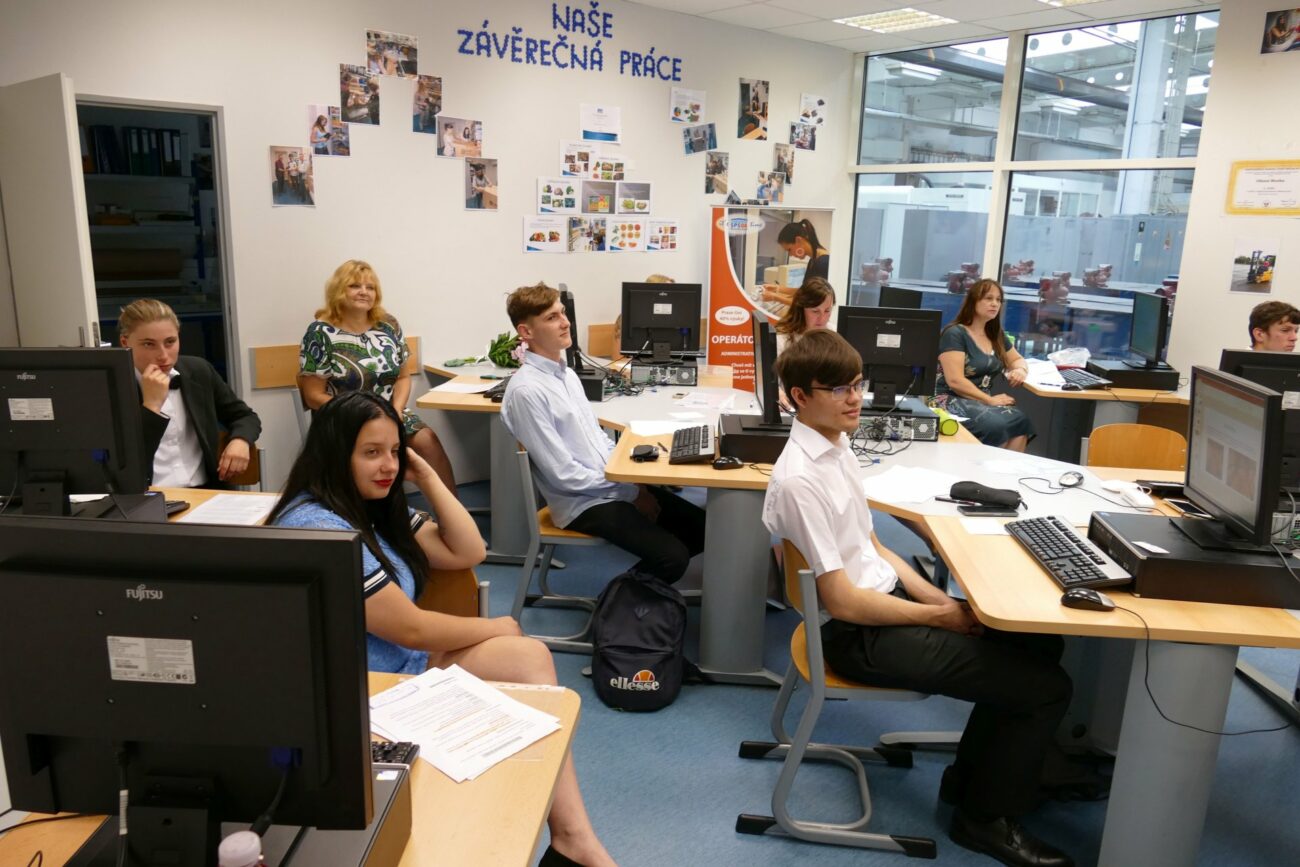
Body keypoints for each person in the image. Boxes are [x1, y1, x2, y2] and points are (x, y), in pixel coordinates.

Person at [763, 330, 1074, 867]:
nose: (855, 398)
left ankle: (971, 781)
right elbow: (843, 602)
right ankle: (983, 820)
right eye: (838, 389)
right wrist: (940, 617)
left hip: (882, 601)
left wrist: (947, 604)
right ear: (799, 397)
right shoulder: (800, 480)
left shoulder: (835, 447)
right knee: (1046, 689)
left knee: (1038, 642)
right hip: (858, 635)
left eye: (856, 384)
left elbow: (875, 546)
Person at [268, 392, 615, 867]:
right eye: (371, 452)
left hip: (402, 667)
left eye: (395, 451)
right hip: (361, 689)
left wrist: (427, 476)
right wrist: (493, 626)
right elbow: (410, 629)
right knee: (511, 641)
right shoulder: (318, 526)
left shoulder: (368, 505)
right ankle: (572, 842)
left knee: (528, 657)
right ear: (334, 455)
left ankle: (571, 838)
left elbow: (468, 551)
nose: (388, 466)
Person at [500, 283, 705, 584]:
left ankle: (645, 594)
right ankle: (617, 603)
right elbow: (564, 475)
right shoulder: (527, 392)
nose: (565, 322)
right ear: (526, 332)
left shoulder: (566, 375)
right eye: (552, 317)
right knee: (671, 557)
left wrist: (633, 482)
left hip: (607, 486)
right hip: (581, 503)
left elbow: (597, 439)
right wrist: (632, 493)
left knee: (702, 527)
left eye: (563, 313)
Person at [298, 259, 458, 496]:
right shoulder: (319, 333)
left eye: (370, 287)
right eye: (355, 286)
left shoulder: (388, 325)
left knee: (428, 441)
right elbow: (313, 396)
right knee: (368, 449)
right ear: (338, 290)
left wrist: (396, 410)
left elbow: (403, 377)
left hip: (389, 410)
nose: (364, 292)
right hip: (343, 415)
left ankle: (451, 510)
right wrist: (359, 412)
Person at [118, 299, 261, 489]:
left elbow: (245, 416)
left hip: (207, 491)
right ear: (125, 343)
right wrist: (152, 406)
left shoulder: (198, 370)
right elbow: (126, 463)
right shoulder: (113, 387)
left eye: (170, 342)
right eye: (149, 344)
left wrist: (240, 441)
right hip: (148, 495)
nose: (163, 355)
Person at [934, 279, 1034, 451]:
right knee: (995, 425)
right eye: (988, 298)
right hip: (948, 399)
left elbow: (1017, 359)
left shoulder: (995, 335)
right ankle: (982, 467)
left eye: (998, 300)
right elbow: (955, 381)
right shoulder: (955, 333)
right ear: (973, 302)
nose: (995, 304)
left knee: (1021, 422)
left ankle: (1002, 468)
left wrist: (1020, 370)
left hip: (981, 402)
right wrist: (990, 400)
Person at [762, 219, 831, 306]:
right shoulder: (814, 260)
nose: (790, 255)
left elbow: (810, 303)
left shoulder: (823, 263)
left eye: (789, 250)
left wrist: (775, 297)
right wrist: (777, 288)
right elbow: (806, 292)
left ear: (798, 240)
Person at [773, 277, 835, 356]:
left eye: (827, 311)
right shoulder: (782, 342)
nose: (822, 318)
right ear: (801, 310)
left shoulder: (835, 334)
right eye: (815, 311)